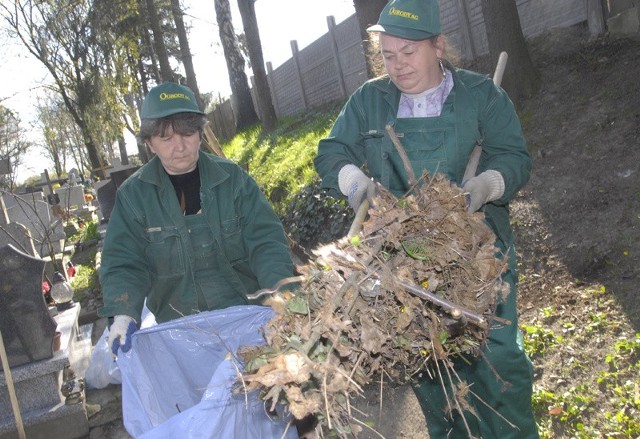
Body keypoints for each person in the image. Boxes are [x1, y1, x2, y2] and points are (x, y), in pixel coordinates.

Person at [314, 0, 539, 437]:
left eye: (408, 52)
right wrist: (355, 182)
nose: (397, 66)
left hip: (478, 257)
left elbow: (514, 157)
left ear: (438, 45)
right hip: (407, 265)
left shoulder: (480, 96)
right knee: (430, 364)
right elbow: (332, 152)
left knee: (498, 360)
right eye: (388, 55)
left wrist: (486, 186)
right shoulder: (370, 101)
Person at [98, 82, 296, 356]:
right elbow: (123, 262)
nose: (179, 147)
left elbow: (266, 243)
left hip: (247, 320)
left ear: (200, 135)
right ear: (149, 144)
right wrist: (122, 312)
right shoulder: (134, 196)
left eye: (187, 134)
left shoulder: (234, 181)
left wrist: (282, 297)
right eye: (166, 138)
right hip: (180, 331)